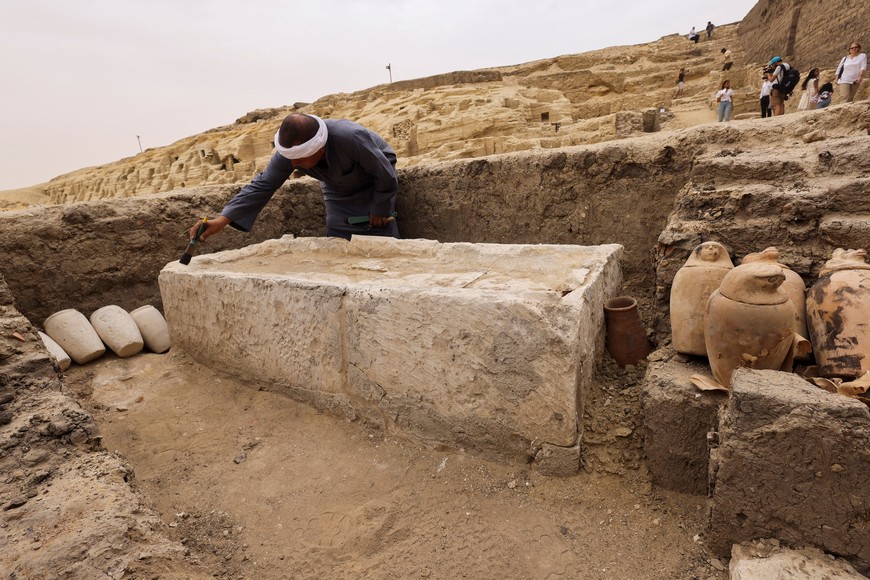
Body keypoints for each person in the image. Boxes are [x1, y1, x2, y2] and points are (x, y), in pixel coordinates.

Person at [188, 113, 400, 243]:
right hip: (338, 189)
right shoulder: (292, 155)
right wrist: (222, 220)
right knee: (339, 240)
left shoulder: (349, 137)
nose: (294, 165)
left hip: (375, 181)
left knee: (382, 236)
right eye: (291, 159)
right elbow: (263, 185)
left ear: (319, 148)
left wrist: (381, 206)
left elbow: (383, 170)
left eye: (299, 159)